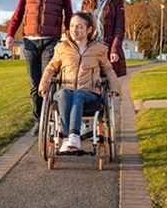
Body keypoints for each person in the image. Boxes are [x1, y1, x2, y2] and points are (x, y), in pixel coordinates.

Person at [6, 0, 73, 135]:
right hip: (29, 42)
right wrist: (11, 33)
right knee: (35, 85)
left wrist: (71, 37)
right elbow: (18, 12)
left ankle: (51, 117)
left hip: (51, 42)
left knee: (49, 81)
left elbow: (69, 14)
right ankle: (39, 119)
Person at [38, 11, 121, 152]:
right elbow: (51, 68)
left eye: (79, 26)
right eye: (72, 26)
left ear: (89, 30)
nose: (74, 30)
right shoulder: (62, 48)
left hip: (89, 95)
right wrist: (43, 85)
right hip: (65, 93)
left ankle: (74, 136)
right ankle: (66, 138)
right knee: (64, 93)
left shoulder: (98, 49)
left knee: (78, 94)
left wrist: (114, 88)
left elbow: (108, 69)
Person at [81, 0, 127, 77]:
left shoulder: (116, 1)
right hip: (90, 48)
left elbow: (119, 28)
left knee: (108, 84)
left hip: (107, 48)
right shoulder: (87, 1)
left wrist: (114, 50)